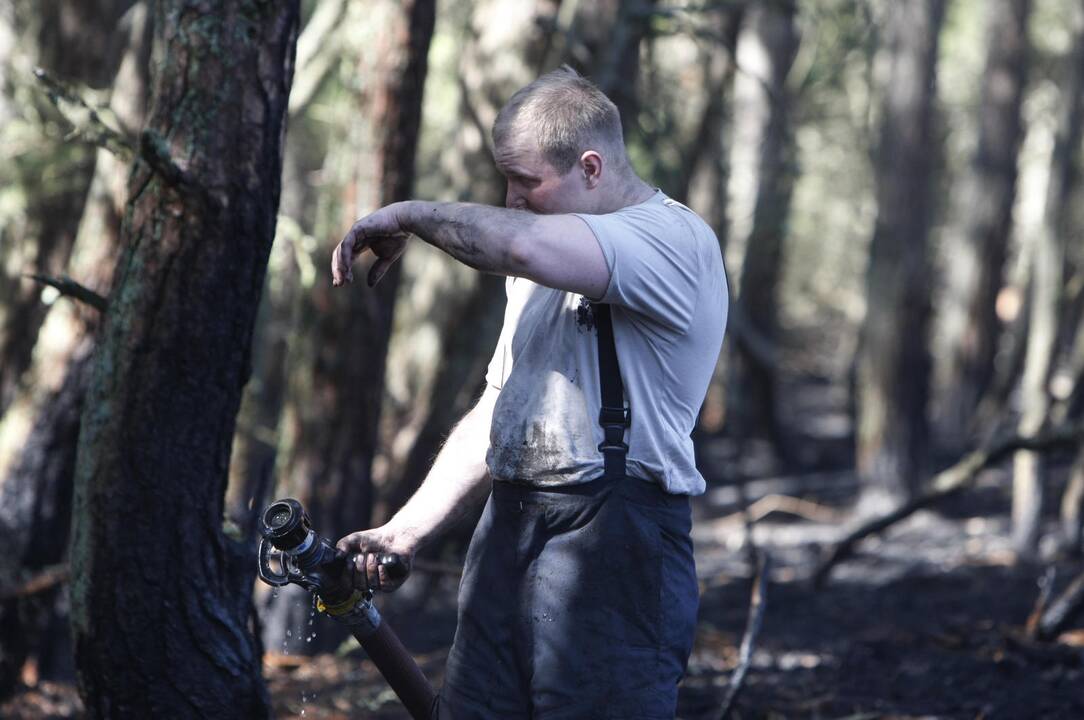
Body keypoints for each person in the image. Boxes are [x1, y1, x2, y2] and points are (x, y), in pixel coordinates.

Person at [331, 66, 728, 719]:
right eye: (505, 181)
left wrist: (408, 213)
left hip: (615, 540)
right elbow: (502, 408)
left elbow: (515, 244)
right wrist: (407, 529)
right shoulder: (544, 261)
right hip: (510, 530)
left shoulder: (671, 240)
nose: (511, 200)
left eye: (526, 182)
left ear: (592, 168)